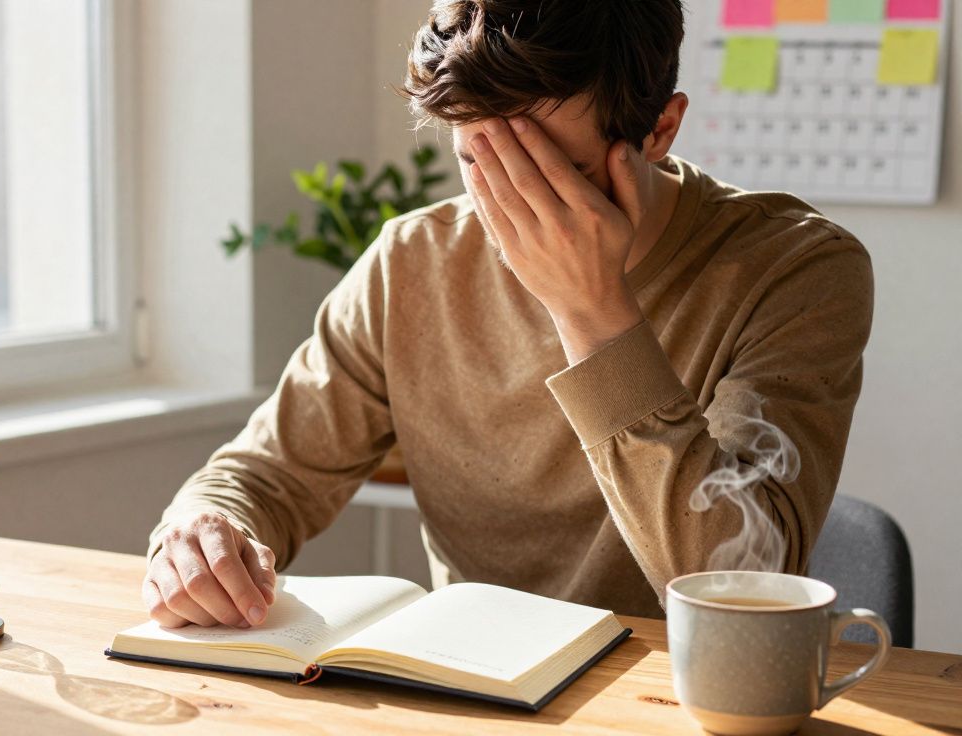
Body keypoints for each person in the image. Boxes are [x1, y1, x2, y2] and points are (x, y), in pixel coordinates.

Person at [141, 0, 874, 630]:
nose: (511, 206)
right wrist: (206, 532)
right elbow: (264, 479)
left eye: (557, 172)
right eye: (476, 162)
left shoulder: (797, 272)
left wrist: (593, 313)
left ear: (660, 130)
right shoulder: (412, 264)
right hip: (473, 692)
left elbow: (743, 583)